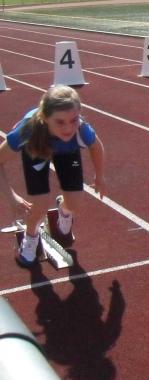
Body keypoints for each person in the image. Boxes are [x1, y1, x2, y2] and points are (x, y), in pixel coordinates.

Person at [0, 85, 106, 268]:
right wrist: (11, 197)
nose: (68, 128)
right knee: (39, 206)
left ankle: (63, 209)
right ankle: (31, 236)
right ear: (44, 117)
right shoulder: (27, 130)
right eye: (60, 122)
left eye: (73, 120)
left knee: (74, 204)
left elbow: (96, 147)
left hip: (68, 152)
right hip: (37, 150)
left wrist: (100, 176)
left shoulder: (80, 130)